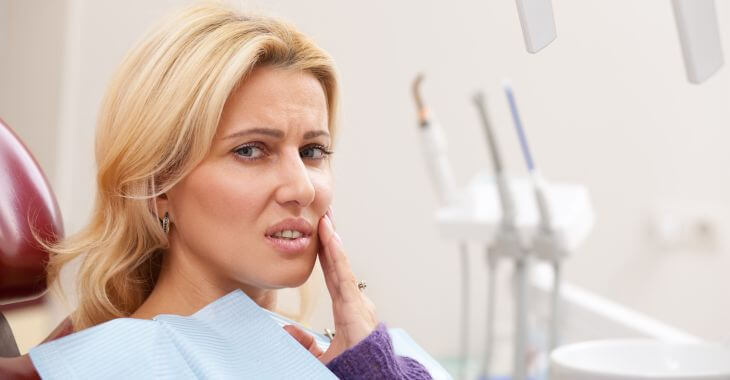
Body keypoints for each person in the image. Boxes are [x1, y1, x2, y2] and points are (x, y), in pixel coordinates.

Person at [6, 2, 433, 379]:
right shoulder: (116, 364)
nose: (302, 187)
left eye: (312, 150)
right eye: (250, 150)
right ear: (158, 183)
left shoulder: (364, 355)